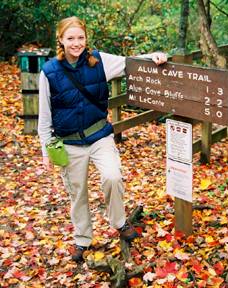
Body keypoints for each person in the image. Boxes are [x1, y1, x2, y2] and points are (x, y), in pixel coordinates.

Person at [38, 16, 167, 263]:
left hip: (99, 136)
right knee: (77, 193)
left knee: (112, 176)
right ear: (61, 40)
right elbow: (44, 118)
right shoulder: (49, 72)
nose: (76, 43)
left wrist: (155, 56)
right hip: (69, 143)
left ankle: (119, 222)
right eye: (70, 38)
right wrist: (46, 151)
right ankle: (82, 238)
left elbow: (130, 63)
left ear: (86, 39)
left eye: (80, 38)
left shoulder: (98, 61)